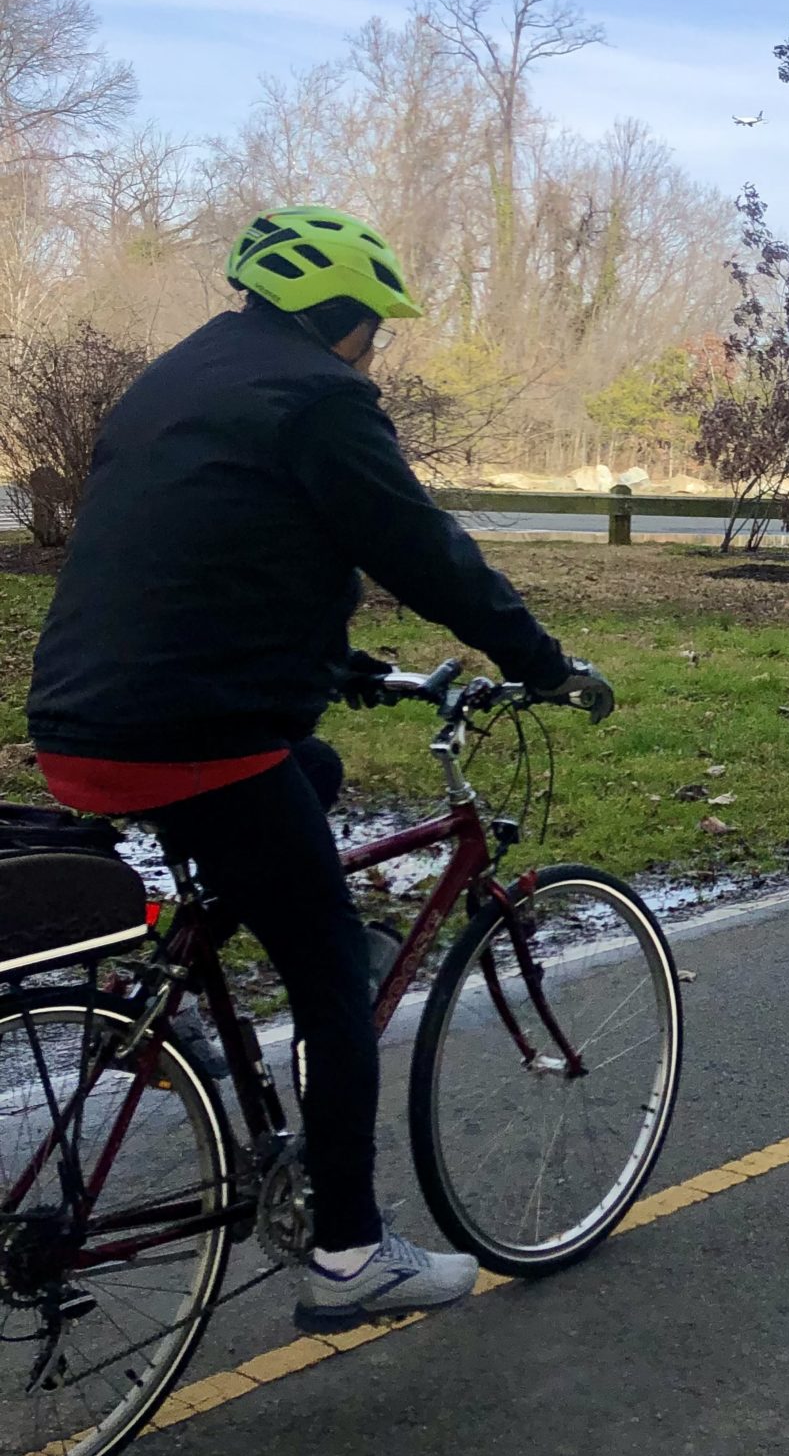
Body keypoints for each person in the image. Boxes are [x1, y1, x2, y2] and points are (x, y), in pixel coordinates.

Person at [27, 208, 612, 1332]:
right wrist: (536, 659)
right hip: (194, 734)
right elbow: (421, 547)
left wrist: (338, 665)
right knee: (335, 977)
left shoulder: (178, 379)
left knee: (318, 765)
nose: (375, 349)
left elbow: (208, 555)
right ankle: (351, 1252)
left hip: (83, 719)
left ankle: (180, 974)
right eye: (374, 328)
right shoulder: (321, 399)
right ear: (343, 321)